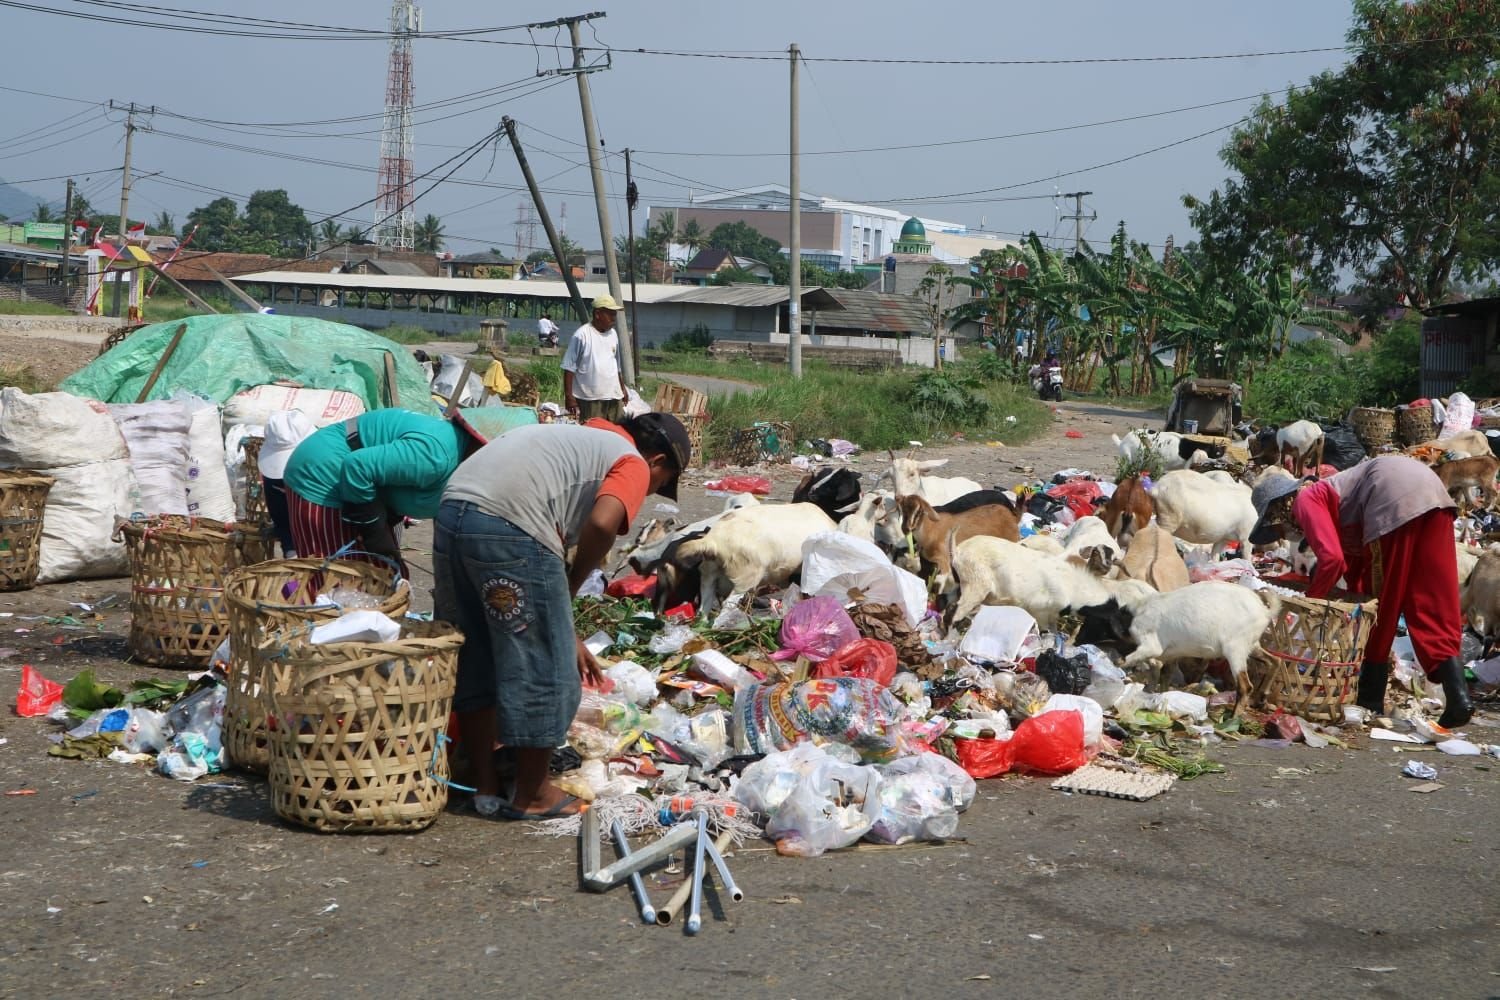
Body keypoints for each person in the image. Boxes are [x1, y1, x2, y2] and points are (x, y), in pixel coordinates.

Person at [436, 411, 693, 819]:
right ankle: (534, 794)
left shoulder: (578, 440)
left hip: (453, 512)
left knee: (475, 651)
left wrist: (563, 624)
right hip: (508, 521)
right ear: (658, 462)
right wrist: (571, 587)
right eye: (660, 484)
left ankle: (483, 786)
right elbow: (603, 523)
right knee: (546, 668)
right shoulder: (633, 462)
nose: (649, 490)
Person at [1249, 455, 1473, 728]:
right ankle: (1459, 696)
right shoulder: (1334, 493)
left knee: (1381, 605)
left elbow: (1332, 560)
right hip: (1432, 493)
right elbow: (1348, 561)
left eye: (1278, 526)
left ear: (1278, 510)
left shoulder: (1306, 499)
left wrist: (1312, 603)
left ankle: (1371, 698)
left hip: (1392, 498)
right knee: (1431, 600)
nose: (1284, 532)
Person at [281, 408, 509, 571]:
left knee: (387, 575)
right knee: (341, 579)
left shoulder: (463, 466)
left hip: (358, 482)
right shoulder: (435, 454)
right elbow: (357, 466)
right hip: (323, 471)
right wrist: (374, 531)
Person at [254, 410, 317, 558]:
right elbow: (280, 517)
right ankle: (294, 579)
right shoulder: (274, 481)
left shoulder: (329, 462)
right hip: (295, 540)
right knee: (296, 575)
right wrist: (290, 550)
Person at [562, 294, 629, 423]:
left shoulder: (613, 334)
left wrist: (623, 388)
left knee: (618, 430)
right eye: (610, 314)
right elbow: (569, 368)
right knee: (594, 431)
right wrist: (569, 397)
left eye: (614, 314)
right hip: (591, 398)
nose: (614, 318)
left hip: (613, 395)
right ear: (598, 314)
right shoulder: (582, 335)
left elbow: (617, 366)